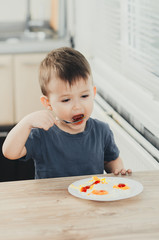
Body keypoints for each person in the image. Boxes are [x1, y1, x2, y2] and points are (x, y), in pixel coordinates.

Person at [2, 47, 132, 179]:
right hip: (53, 198)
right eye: (66, 100)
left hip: (90, 196)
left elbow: (110, 160)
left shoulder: (102, 131)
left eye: (84, 96)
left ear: (93, 92)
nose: (77, 106)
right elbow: (9, 152)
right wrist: (26, 122)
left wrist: (118, 170)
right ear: (48, 103)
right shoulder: (42, 133)